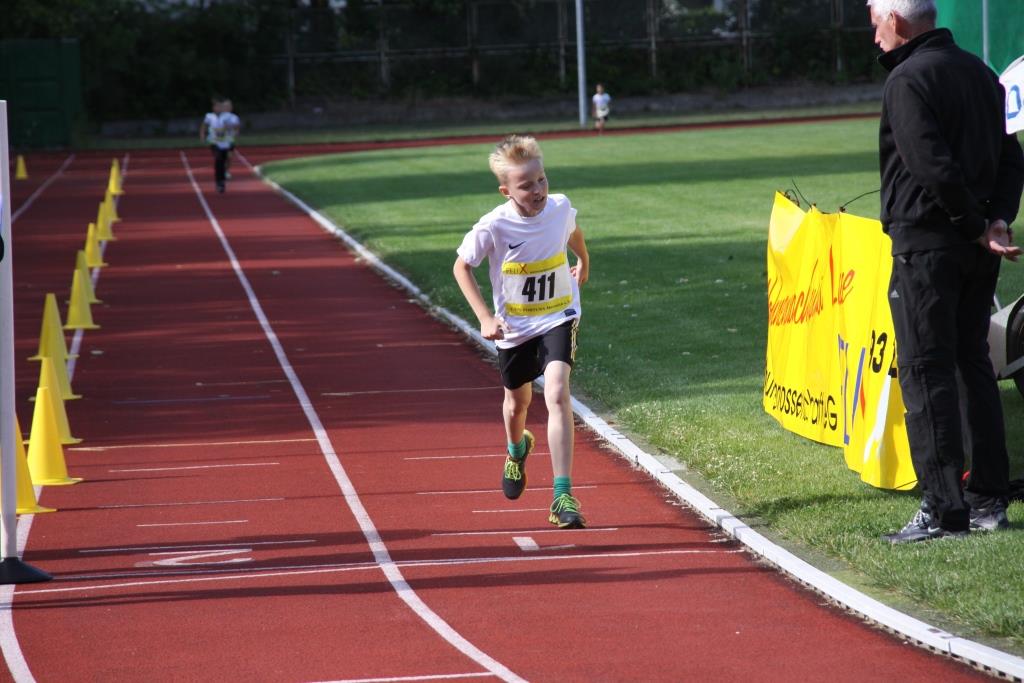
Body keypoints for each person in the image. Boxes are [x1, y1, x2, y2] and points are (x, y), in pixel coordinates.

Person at [866, 0, 1024, 544]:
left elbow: (929, 163)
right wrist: (996, 219)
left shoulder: (908, 80)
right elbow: (1011, 156)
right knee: (972, 364)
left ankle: (944, 508)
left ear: (898, 20)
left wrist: (975, 222)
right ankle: (986, 499)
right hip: (977, 245)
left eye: (875, 19)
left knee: (927, 370)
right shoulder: (980, 72)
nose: (873, 30)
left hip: (929, 245)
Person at [453, 135, 591, 528]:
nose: (538, 190)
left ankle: (562, 496)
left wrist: (584, 260)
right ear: (506, 190)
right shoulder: (494, 225)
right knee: (517, 405)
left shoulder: (560, 207)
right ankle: (516, 451)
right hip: (514, 328)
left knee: (558, 391)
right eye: (526, 185)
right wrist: (484, 317)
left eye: (541, 180)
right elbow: (461, 267)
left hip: (558, 316)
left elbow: (573, 232)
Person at [198, 96, 230, 193]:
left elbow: (231, 127)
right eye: (217, 107)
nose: (219, 108)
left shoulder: (227, 116)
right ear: (213, 108)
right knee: (218, 159)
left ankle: (222, 179)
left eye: (220, 107)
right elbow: (204, 126)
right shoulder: (209, 116)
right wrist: (202, 135)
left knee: (223, 161)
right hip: (214, 142)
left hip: (224, 143)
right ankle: (219, 182)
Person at [219, 99, 241, 180]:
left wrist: (236, 131)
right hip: (221, 140)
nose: (227, 107)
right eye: (225, 106)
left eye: (228, 106)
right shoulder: (219, 117)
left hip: (230, 140)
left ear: (231, 107)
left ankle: (226, 171)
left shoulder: (234, 117)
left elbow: (237, 127)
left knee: (229, 157)